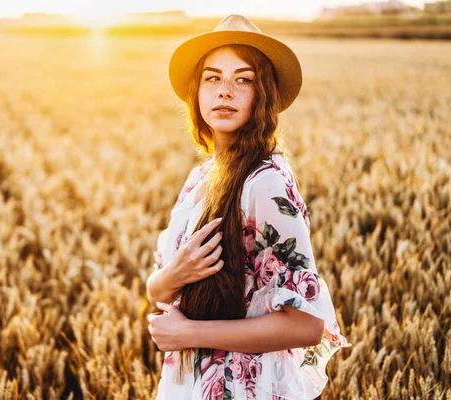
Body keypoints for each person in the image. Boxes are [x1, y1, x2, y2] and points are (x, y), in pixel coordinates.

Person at [145, 14, 352, 399]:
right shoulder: (200, 179)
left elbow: (306, 325)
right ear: (198, 92)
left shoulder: (266, 183)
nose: (225, 91)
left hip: (246, 388)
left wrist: (189, 333)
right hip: (190, 384)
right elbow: (155, 288)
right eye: (213, 78)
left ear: (263, 95)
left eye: (243, 79)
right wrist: (173, 274)